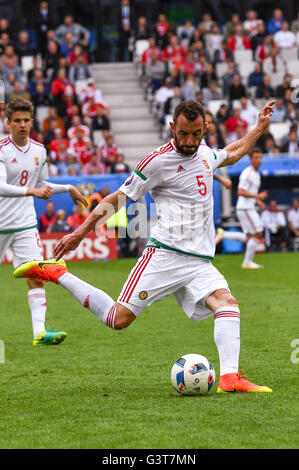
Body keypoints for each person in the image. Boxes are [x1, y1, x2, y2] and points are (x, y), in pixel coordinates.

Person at [15, 99, 275, 394]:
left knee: (227, 305)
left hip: (199, 261)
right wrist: (79, 233)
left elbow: (232, 153)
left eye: (196, 134)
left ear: (205, 128)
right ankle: (57, 273)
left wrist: (258, 129)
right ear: (172, 127)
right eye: (183, 134)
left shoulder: (205, 154)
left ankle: (229, 379)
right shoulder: (157, 161)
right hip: (164, 255)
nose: (189, 142)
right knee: (117, 319)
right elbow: (117, 198)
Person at [0, 98, 88, 345]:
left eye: (26, 120)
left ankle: (39, 332)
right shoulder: (2, 150)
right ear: (8, 123)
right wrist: (31, 191)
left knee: (35, 274)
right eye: (17, 121)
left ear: (31, 122)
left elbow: (42, 186)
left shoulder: (39, 150)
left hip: (25, 223)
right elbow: (1, 186)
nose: (22, 125)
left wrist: (68, 187)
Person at [217, 147, 268, 269]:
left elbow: (249, 191)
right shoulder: (248, 173)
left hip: (248, 207)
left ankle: (223, 234)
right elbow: (240, 191)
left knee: (250, 236)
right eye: (256, 157)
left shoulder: (256, 174)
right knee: (258, 233)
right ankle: (247, 262)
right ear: (250, 159)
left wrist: (258, 201)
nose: (259, 160)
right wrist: (258, 196)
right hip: (246, 208)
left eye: (260, 157)